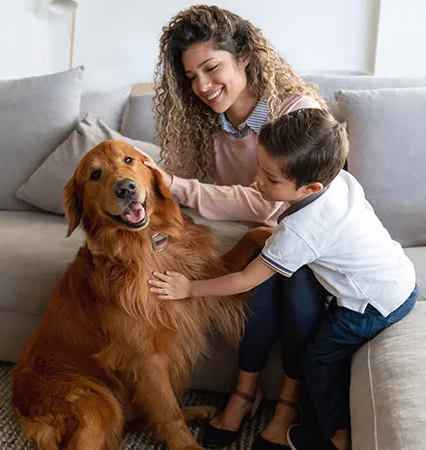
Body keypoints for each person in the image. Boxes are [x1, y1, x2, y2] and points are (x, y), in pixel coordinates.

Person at [148, 108, 418, 450]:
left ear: (312, 187)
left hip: (372, 304)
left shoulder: (300, 233)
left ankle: (335, 435)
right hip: (398, 276)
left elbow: (244, 280)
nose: (257, 182)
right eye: (260, 168)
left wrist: (189, 287)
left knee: (319, 359)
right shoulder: (343, 182)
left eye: (271, 179)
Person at [132, 5, 329, 448]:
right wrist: (156, 235)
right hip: (259, 241)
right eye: (190, 76)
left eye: (211, 67)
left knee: (289, 283)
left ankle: (282, 405)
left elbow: (277, 206)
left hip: (309, 241)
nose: (202, 86)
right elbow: (172, 197)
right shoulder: (203, 125)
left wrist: (181, 188)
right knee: (256, 269)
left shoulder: (296, 112)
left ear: (243, 56)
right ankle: (246, 392)